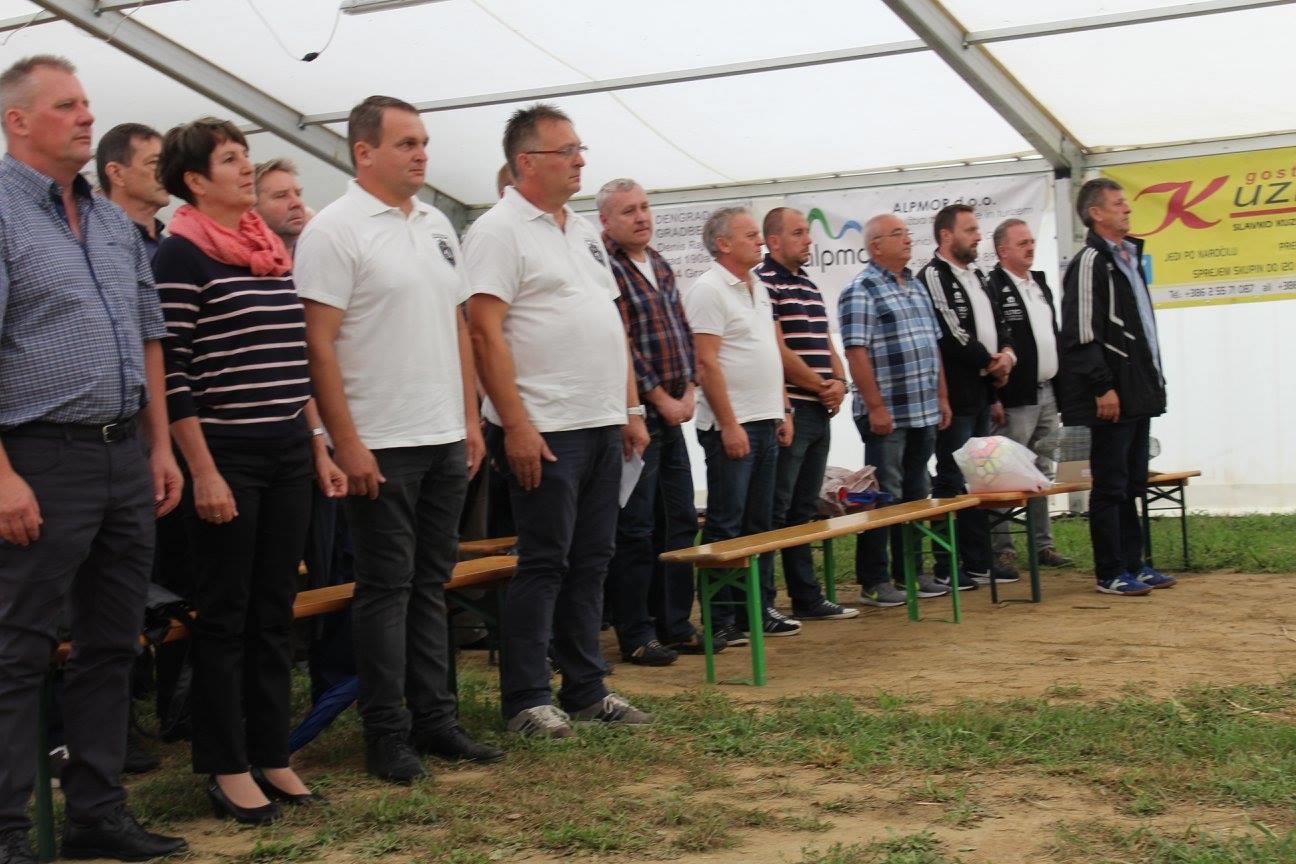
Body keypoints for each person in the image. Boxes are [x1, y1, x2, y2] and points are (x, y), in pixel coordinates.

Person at [0, 54, 187, 863]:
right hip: (37, 455)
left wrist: (160, 445)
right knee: (17, 650)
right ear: (17, 121)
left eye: (86, 103)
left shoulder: (112, 222)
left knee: (113, 642)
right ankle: (7, 832)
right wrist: (1, 476)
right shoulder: (3, 212)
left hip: (121, 455)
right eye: (66, 105)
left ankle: (96, 814)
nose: (86, 115)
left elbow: (149, 337)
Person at [296, 96, 501, 781]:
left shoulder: (437, 224)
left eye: (424, 142)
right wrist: (345, 440)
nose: (422, 154)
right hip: (380, 439)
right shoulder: (334, 230)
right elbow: (318, 345)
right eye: (407, 143)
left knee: (430, 583)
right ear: (364, 152)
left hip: (444, 435)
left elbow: (457, 326)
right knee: (385, 589)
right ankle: (386, 734)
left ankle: (436, 720)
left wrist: (469, 419)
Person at [154, 116, 343, 822]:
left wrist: (317, 445)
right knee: (225, 615)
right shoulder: (179, 255)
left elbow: (292, 361)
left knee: (274, 612)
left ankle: (271, 753)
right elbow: (174, 375)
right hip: (225, 455)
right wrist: (202, 470)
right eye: (231, 159)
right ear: (195, 180)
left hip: (287, 451)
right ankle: (225, 763)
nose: (245, 168)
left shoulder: (267, 249)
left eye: (245, 156)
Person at [464, 103, 650, 738]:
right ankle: (525, 697)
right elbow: (484, 332)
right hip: (543, 426)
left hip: (599, 420)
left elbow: (611, 323)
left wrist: (629, 408)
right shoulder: (497, 231)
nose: (579, 160)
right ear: (526, 161)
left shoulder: (583, 231)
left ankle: (586, 688)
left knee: (593, 558)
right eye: (566, 150)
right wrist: (516, 425)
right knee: (544, 561)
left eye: (579, 149)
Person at [598, 178, 710, 665]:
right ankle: (636, 632)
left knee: (680, 518)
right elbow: (620, 342)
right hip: (637, 416)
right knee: (637, 527)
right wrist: (658, 397)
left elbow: (681, 328)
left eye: (644, 207)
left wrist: (690, 388)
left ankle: (675, 624)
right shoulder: (606, 266)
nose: (642, 216)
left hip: (674, 410)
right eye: (628, 211)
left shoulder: (659, 262)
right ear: (605, 221)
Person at [684, 206, 796, 644]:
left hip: (765, 418)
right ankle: (721, 619)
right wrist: (729, 424)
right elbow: (705, 363)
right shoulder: (708, 289)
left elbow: (768, 349)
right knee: (726, 523)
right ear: (723, 243)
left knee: (759, 522)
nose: (760, 241)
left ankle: (758, 609)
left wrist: (782, 408)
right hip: (732, 424)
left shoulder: (759, 286)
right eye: (750, 235)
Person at [1058, 178, 1174, 596]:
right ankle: (1109, 572)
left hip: (1137, 390)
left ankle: (1134, 563)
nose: (1127, 209)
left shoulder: (1128, 257)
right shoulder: (1091, 261)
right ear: (1096, 213)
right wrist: (1102, 386)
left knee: (1132, 482)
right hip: (1112, 394)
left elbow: (1140, 330)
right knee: (1110, 485)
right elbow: (1080, 333)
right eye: (1118, 203)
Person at [839, 215, 951, 607]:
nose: (907, 239)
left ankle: (912, 573)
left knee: (917, 494)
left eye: (906, 233)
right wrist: (875, 407)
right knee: (884, 496)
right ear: (875, 246)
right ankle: (874, 580)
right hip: (887, 414)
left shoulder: (916, 286)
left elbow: (933, 347)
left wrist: (942, 398)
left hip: (923, 409)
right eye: (897, 234)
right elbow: (856, 353)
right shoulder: (860, 290)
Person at [756, 207, 857, 622]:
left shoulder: (809, 284)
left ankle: (806, 597)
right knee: (776, 508)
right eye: (798, 233)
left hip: (819, 408)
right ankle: (763, 600)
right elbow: (776, 349)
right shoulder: (764, 283)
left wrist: (840, 381)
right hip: (792, 409)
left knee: (804, 508)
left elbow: (825, 342)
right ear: (774, 241)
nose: (808, 239)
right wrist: (819, 385)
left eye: (807, 232)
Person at [918, 204, 1015, 590]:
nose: (978, 236)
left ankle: (978, 561)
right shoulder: (934, 275)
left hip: (982, 393)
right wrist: (990, 362)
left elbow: (1001, 324)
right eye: (970, 230)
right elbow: (949, 331)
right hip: (955, 396)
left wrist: (1006, 357)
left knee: (979, 480)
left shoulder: (978, 275)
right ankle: (946, 564)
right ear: (946, 236)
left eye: (977, 229)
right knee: (950, 478)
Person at [986, 219, 1071, 572]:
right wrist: (995, 397)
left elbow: (1052, 335)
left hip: (1047, 390)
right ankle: (1002, 548)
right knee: (1005, 471)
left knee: (1042, 469)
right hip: (1016, 395)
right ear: (1002, 250)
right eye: (1022, 243)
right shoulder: (993, 287)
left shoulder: (1039, 284)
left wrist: (1063, 391)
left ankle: (1043, 545)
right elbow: (995, 343)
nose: (1031, 247)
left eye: (1032, 241)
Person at [95, 122, 169, 262]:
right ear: (116, 174)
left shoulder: (171, 247)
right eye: (154, 163)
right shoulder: (103, 252)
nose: (167, 172)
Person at [253, 158, 307, 254]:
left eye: (298, 194)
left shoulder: (315, 252)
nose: (297, 203)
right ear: (252, 208)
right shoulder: (234, 259)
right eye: (281, 196)